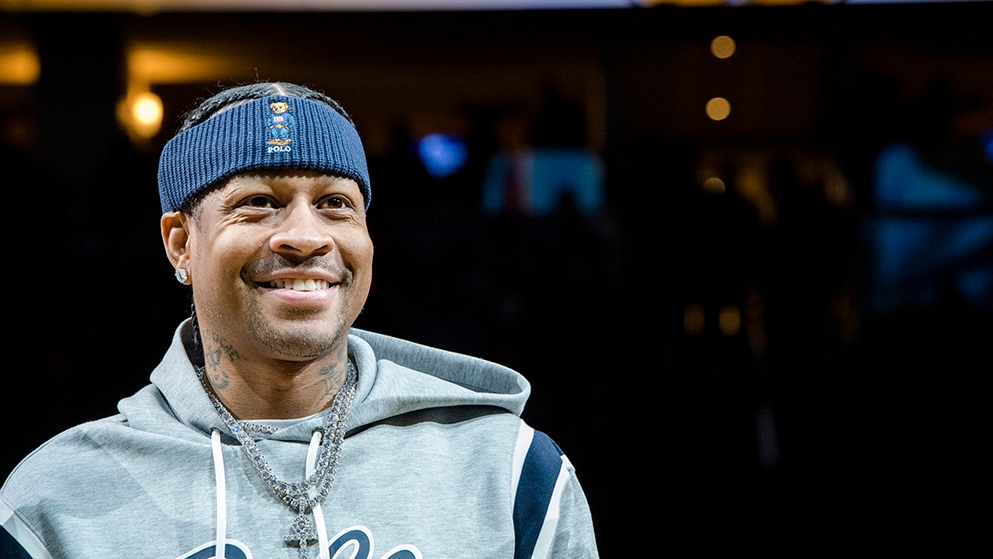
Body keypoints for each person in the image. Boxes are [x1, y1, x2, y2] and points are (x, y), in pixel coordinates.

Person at [0, 82, 598, 559]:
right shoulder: (54, 500)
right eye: (258, 202)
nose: (306, 237)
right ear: (181, 243)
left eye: (336, 204)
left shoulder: (508, 471)